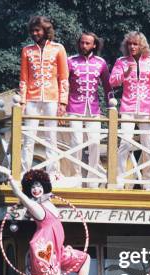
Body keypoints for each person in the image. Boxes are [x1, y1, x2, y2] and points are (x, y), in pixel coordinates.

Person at [109, 31, 150, 190]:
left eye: (135, 44)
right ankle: (119, 179)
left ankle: (147, 182)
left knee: (147, 145)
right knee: (125, 142)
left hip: (146, 108)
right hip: (127, 107)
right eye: (129, 44)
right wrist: (125, 73)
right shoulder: (121, 61)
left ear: (142, 45)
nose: (132, 46)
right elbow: (112, 82)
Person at [19, 16, 69, 174]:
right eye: (32, 31)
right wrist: (22, 102)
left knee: (51, 136)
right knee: (28, 137)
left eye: (38, 30)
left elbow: (63, 77)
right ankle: (24, 172)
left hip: (52, 98)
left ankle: (53, 172)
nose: (35, 33)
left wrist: (63, 103)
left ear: (46, 31)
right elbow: (23, 79)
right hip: (32, 99)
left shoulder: (58, 48)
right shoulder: (27, 50)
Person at [64, 31, 113, 187]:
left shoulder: (101, 63)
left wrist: (111, 105)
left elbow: (107, 86)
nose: (84, 45)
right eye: (82, 42)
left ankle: (92, 179)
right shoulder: (70, 61)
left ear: (94, 45)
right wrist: (62, 106)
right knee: (76, 142)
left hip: (93, 108)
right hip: (73, 107)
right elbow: (63, 85)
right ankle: (76, 176)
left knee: (95, 142)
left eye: (87, 43)